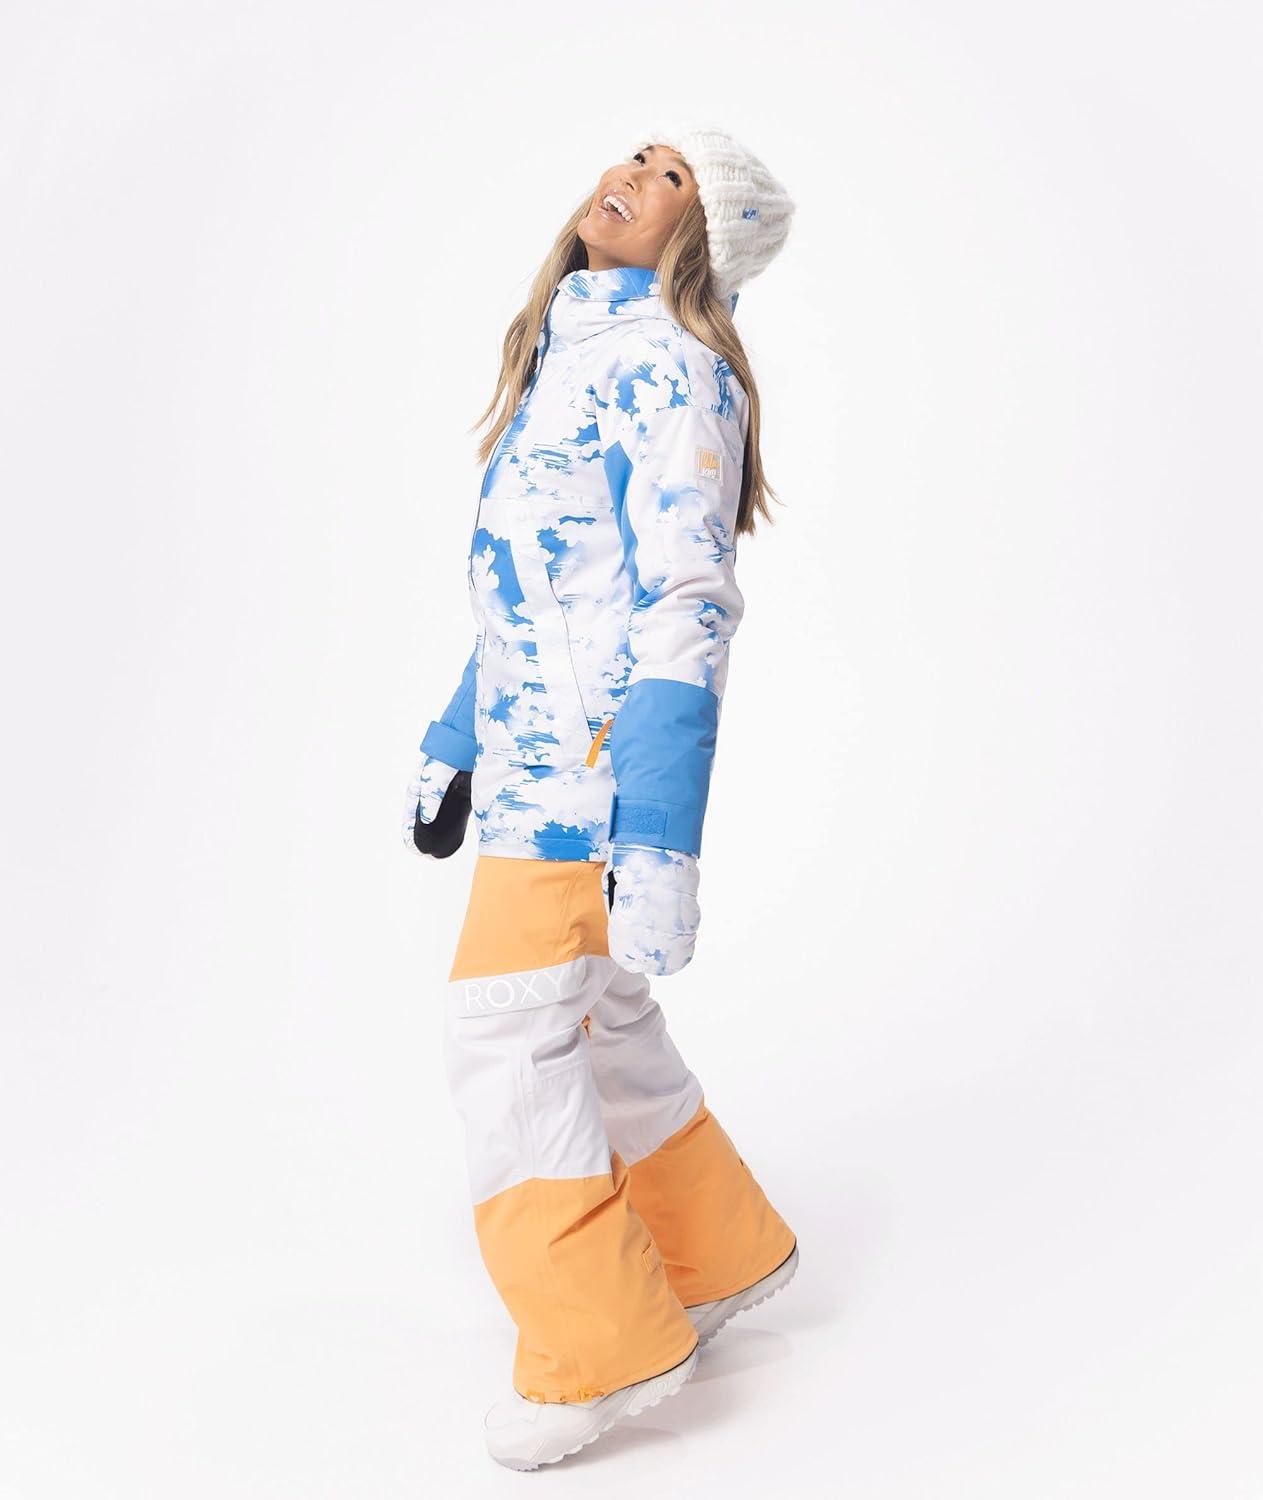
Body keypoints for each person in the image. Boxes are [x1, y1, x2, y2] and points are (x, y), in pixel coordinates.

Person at [403, 123, 798, 1471]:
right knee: (597, 1019)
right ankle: (714, 1254)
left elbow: (686, 604)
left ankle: (600, 1347)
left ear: (706, 238)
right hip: (531, 767)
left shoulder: (676, 373)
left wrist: (659, 839)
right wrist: (455, 741)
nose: (634, 175)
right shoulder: (571, 351)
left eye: (677, 177)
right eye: (640, 152)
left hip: (588, 784)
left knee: (506, 1036)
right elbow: (537, 589)